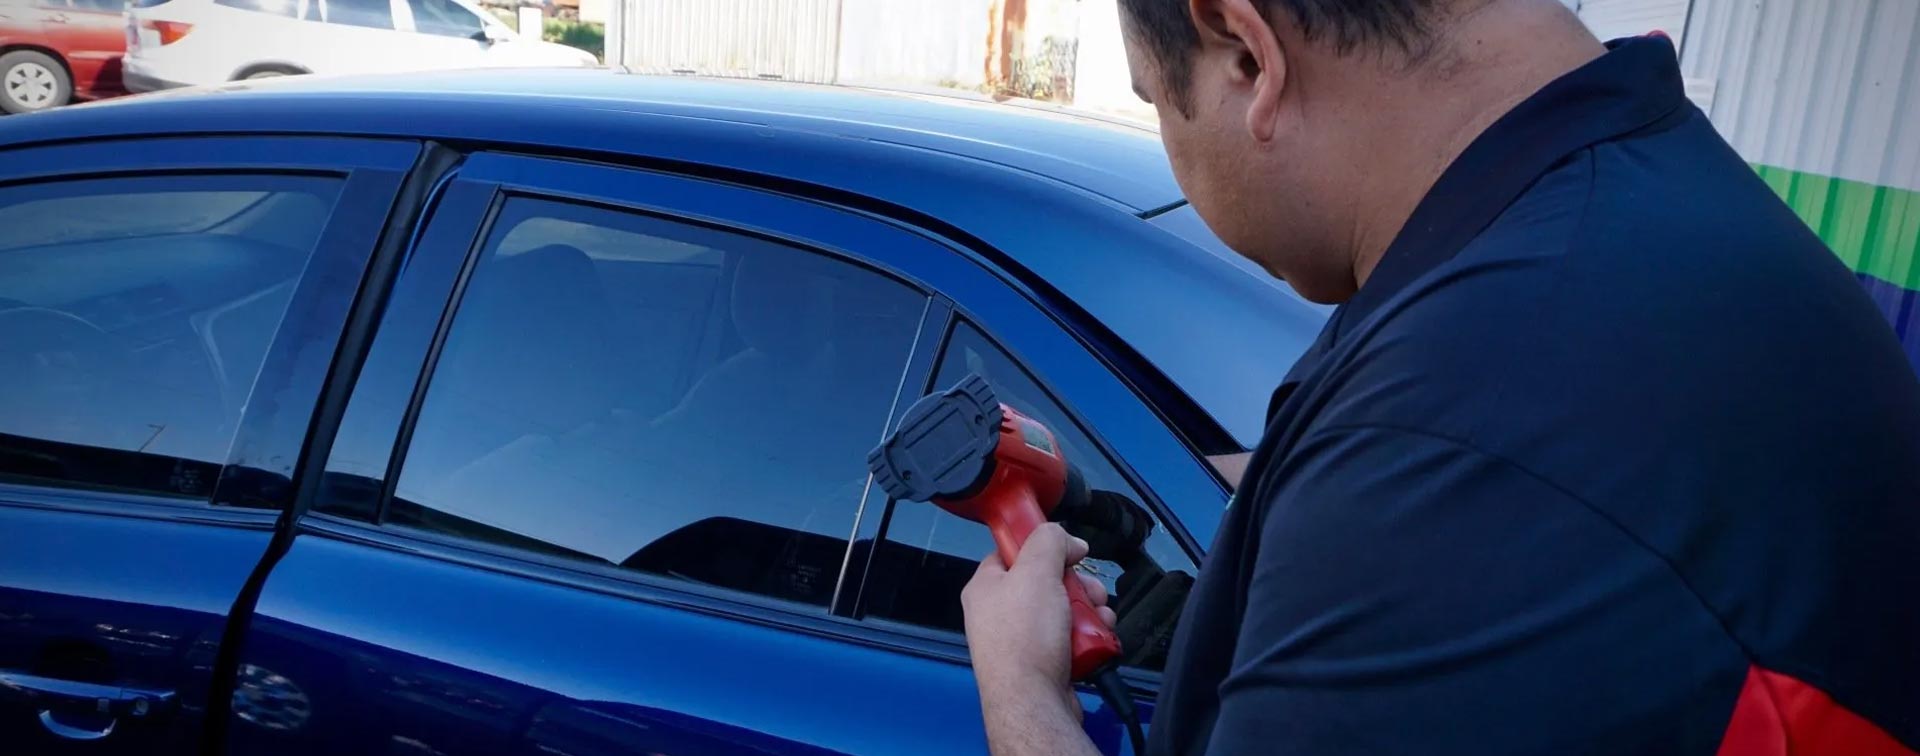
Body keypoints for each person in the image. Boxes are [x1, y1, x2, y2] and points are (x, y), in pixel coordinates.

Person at [958, 1, 1920, 754]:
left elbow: (1475, 473)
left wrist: (1023, 694)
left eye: (1154, 98)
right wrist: (1292, 486)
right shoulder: (1653, 202)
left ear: (1245, 50)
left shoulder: (1447, 447)